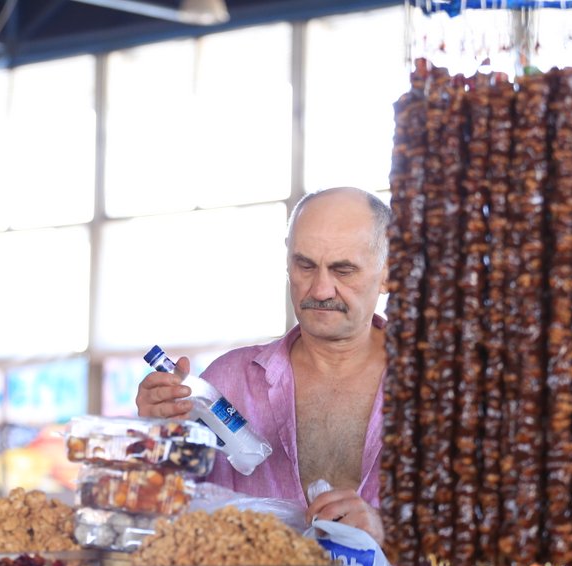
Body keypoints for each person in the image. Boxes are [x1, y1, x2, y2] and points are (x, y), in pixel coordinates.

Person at [136, 187, 388, 545]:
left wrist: (388, 533)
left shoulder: (440, 392)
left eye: (343, 270)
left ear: (389, 271)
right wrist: (159, 438)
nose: (320, 289)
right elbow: (161, 519)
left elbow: (484, 528)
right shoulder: (226, 385)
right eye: (305, 265)